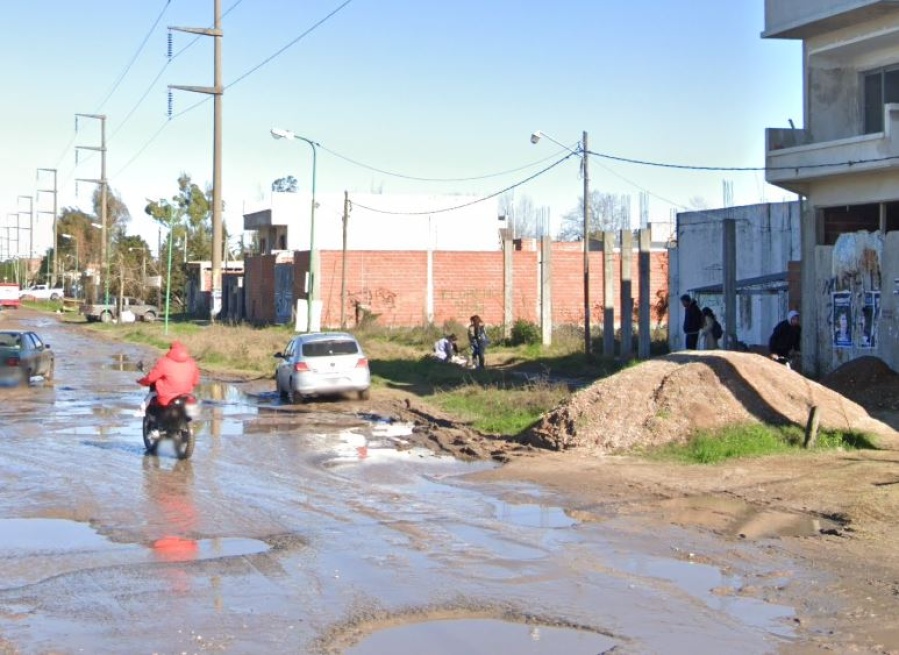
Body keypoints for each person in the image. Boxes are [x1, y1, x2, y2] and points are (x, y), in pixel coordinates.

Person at [137, 340, 201, 435]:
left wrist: (142, 381)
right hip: (185, 394)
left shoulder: (164, 362)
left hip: (167, 396)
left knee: (154, 401)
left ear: (171, 350)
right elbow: (196, 381)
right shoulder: (191, 362)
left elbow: (151, 377)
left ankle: (157, 427)